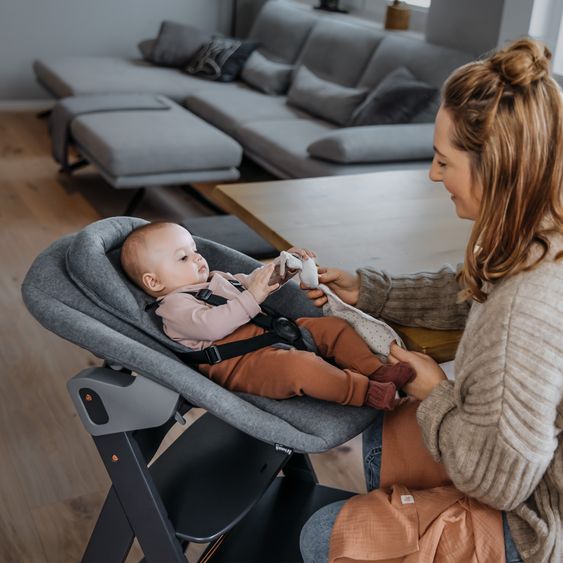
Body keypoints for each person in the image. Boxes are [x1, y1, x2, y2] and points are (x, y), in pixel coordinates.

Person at [300, 38, 563, 562]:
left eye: (445, 161)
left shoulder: (528, 308)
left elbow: (501, 485)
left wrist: (436, 390)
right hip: (523, 470)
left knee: (321, 538)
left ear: (498, 168)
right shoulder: (540, 235)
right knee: (387, 433)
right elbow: (472, 289)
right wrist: (372, 289)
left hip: (535, 520)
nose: (433, 175)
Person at [120, 221, 415, 410]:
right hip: (238, 364)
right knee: (301, 369)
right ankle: (364, 391)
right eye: (183, 257)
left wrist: (281, 269)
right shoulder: (173, 308)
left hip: (269, 333)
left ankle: (374, 369)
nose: (197, 258)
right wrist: (253, 297)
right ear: (154, 282)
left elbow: (250, 282)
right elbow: (212, 325)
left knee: (332, 327)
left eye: (195, 250)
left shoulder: (216, 278)